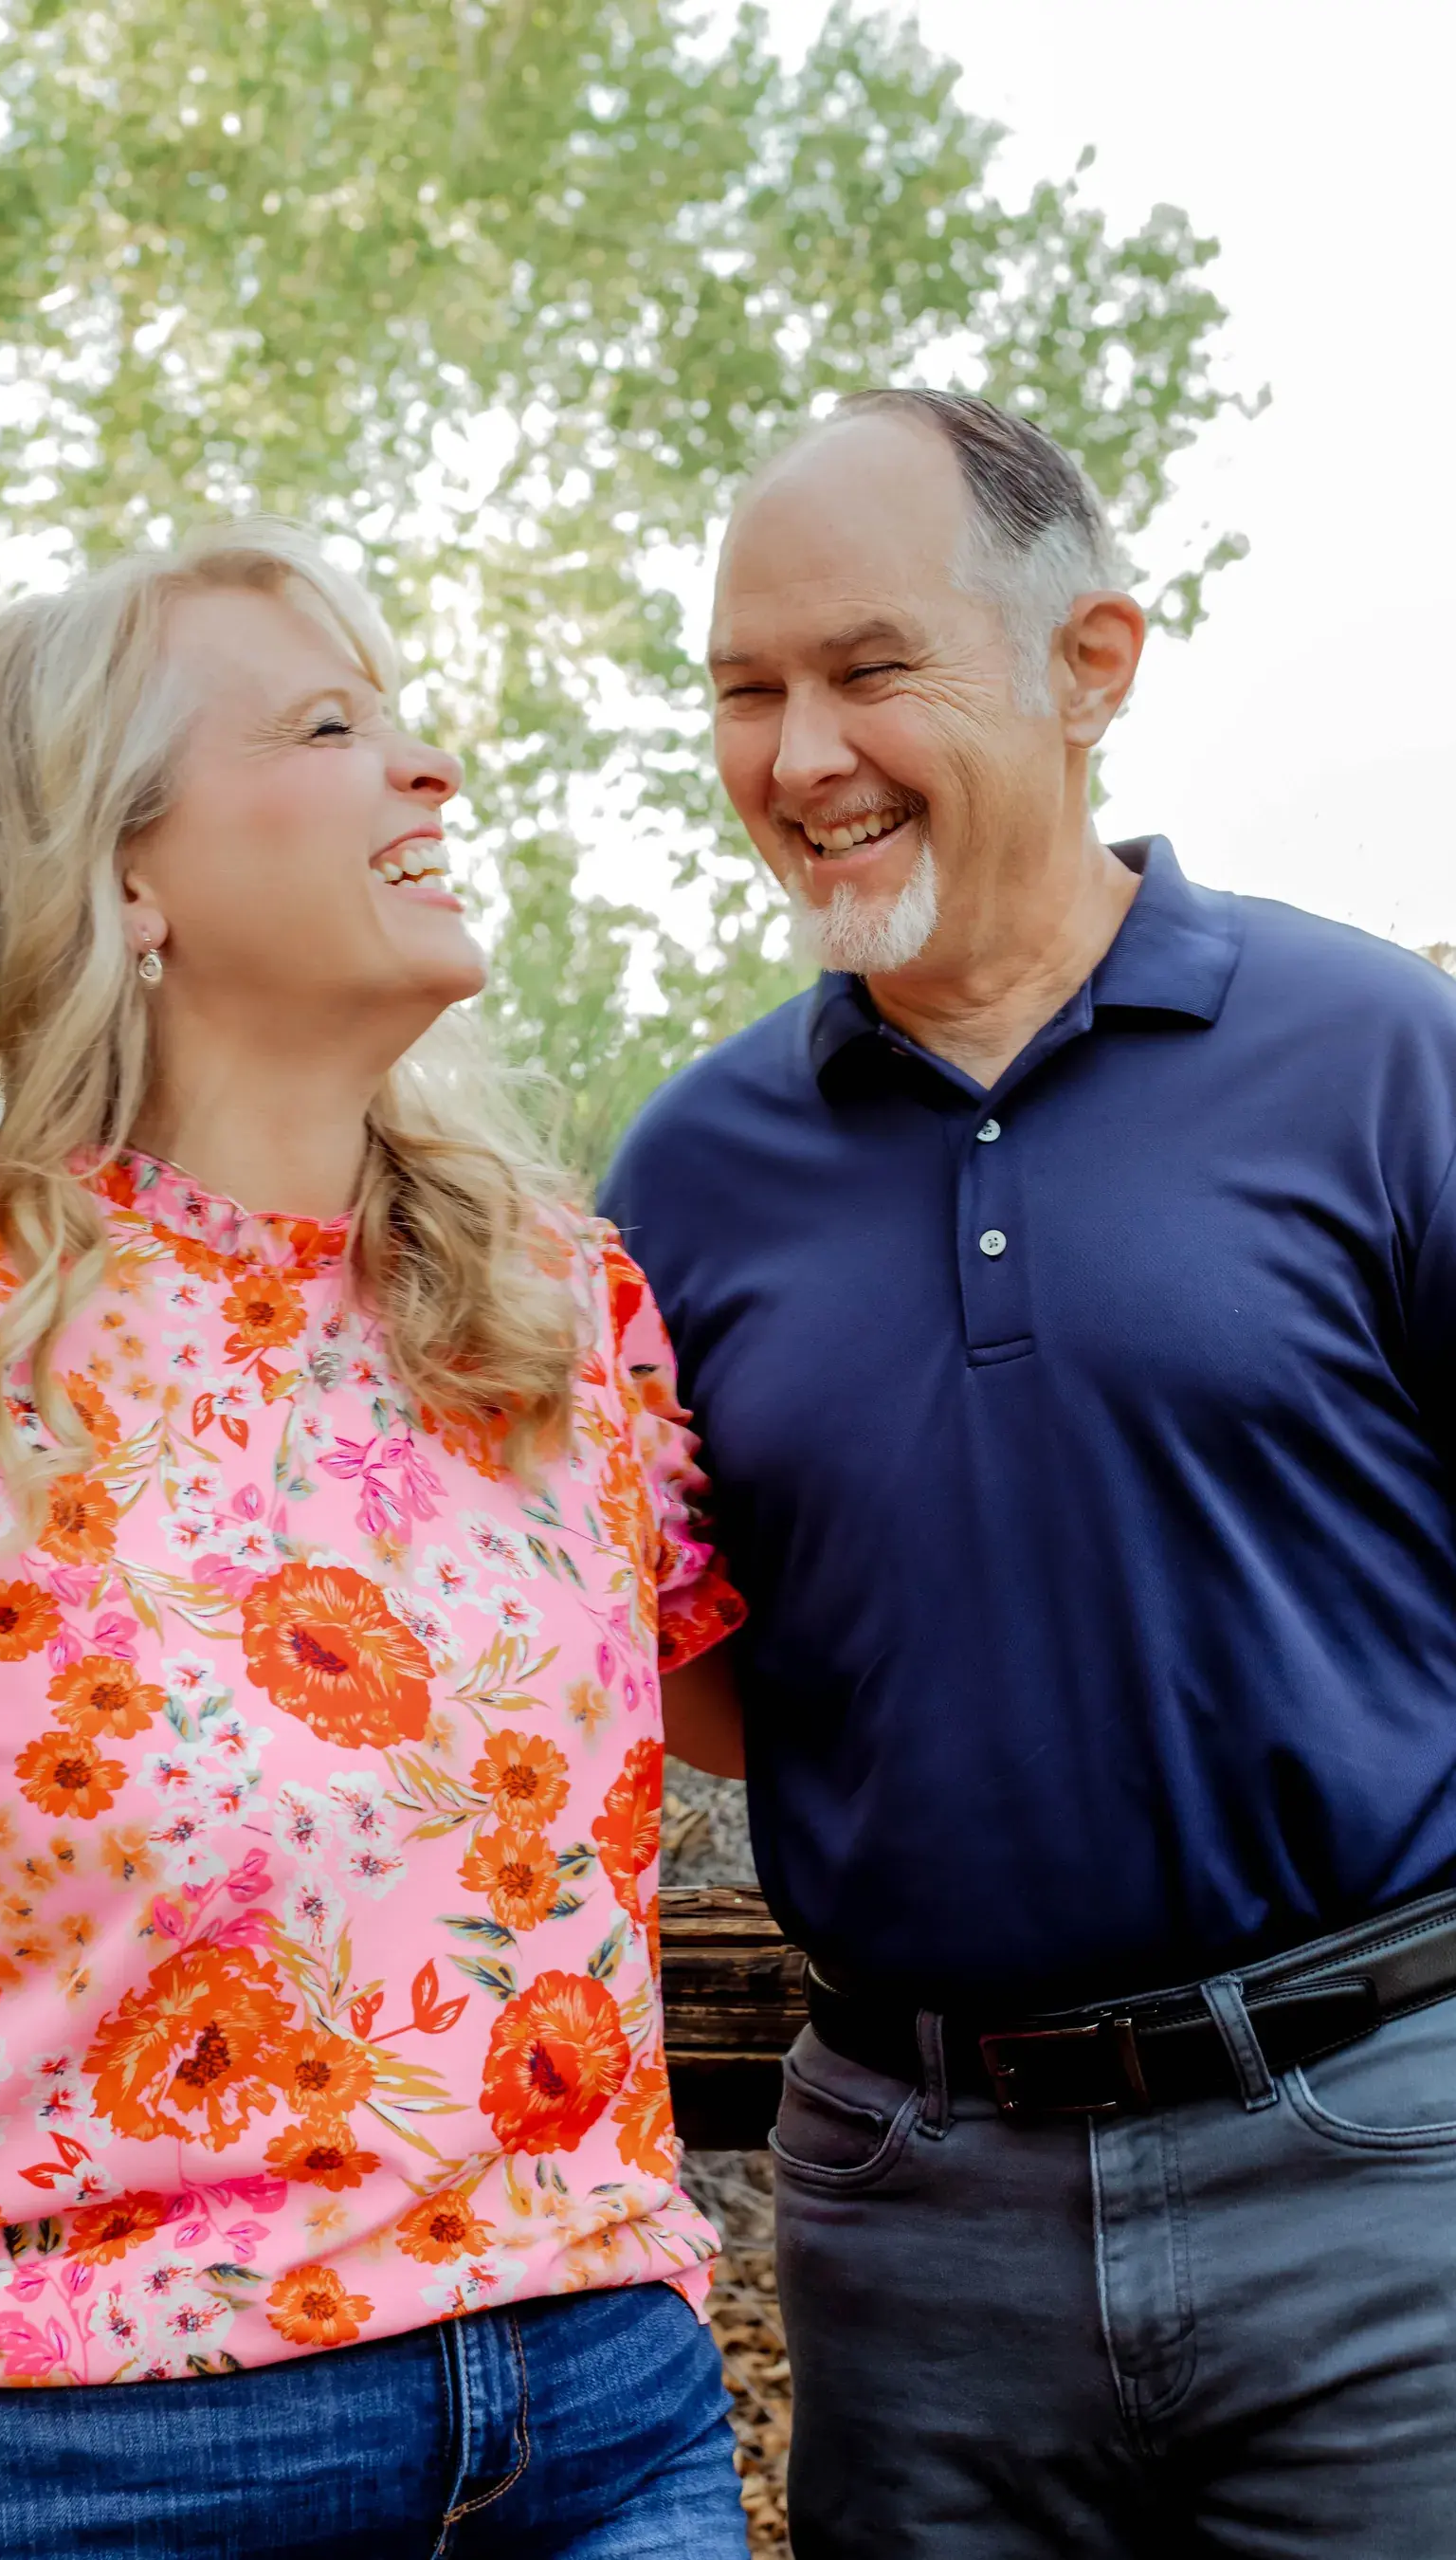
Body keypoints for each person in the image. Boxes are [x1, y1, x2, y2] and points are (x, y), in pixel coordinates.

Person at [0, 518, 750, 2558]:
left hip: (598, 2423)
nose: (428, 766)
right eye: (324, 725)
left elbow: (817, 1729)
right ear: (123, 876)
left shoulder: (563, 1312)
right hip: (59, 2465)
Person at [600, 387, 1456, 2559]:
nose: (800, 755)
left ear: (1090, 667)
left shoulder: (1380, 1056)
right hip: (912, 2221)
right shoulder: (685, 1179)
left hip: (1389, 2170)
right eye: (745, 692)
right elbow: (700, 1667)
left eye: (870, 670)